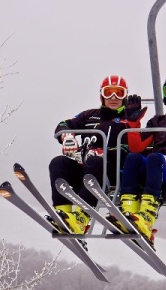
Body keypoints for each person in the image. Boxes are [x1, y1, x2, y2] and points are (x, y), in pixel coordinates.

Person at [49, 75, 147, 234]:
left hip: (111, 172)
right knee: (58, 163)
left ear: (125, 96)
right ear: (102, 95)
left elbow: (133, 148)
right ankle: (63, 214)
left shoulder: (129, 120)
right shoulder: (89, 115)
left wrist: (103, 152)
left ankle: (81, 218)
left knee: (95, 162)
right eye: (109, 93)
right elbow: (63, 125)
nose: (113, 98)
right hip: (85, 166)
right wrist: (67, 136)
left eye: (119, 93)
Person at [116, 73, 166, 244]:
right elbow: (137, 147)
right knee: (133, 158)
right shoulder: (157, 121)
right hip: (157, 166)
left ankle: (147, 217)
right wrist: (133, 123)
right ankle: (129, 212)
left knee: (154, 159)